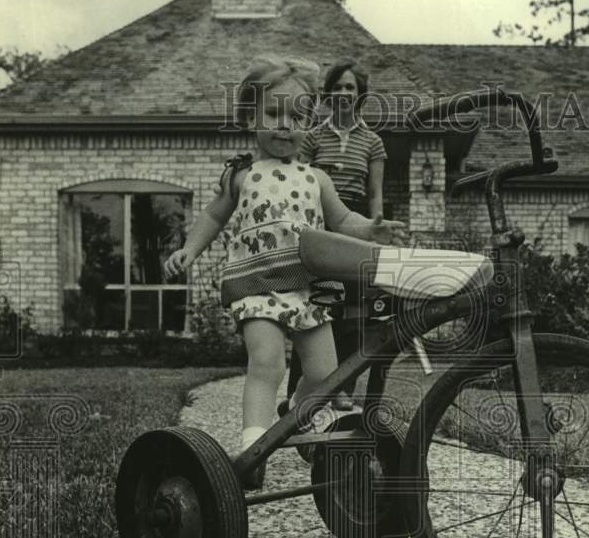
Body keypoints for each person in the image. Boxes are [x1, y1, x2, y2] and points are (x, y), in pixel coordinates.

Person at [164, 55, 407, 488]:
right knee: (267, 363)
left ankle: (296, 412)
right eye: (273, 114)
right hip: (257, 285)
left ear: (310, 121)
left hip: (309, 288)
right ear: (250, 117)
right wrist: (189, 248)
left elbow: (343, 221)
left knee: (327, 373)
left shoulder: (317, 178)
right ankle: (254, 448)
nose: (284, 125)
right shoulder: (240, 175)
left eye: (297, 117)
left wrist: (373, 228)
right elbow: (214, 216)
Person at [285, 60, 386, 412]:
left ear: (360, 96)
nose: (344, 93)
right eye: (339, 88)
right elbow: (303, 184)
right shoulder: (312, 137)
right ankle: (297, 392)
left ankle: (341, 387)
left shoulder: (372, 141)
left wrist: (375, 233)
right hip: (320, 221)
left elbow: (375, 195)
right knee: (318, 306)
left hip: (355, 223)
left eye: (351, 88)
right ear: (328, 95)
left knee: (357, 312)